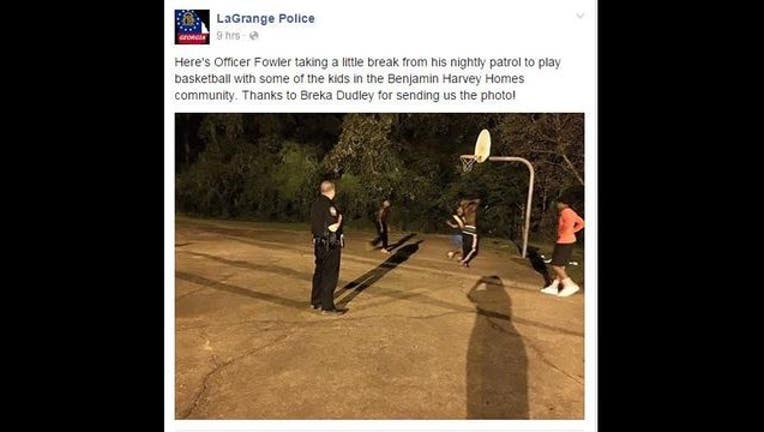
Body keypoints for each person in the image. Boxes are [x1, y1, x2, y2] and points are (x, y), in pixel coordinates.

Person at [310, 180, 347, 315]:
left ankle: (316, 301)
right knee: (330, 274)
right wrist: (340, 219)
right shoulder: (330, 205)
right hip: (330, 243)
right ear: (332, 190)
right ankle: (327, 306)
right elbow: (333, 227)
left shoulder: (316, 204)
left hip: (318, 243)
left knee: (319, 272)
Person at [541, 195, 585, 297]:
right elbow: (582, 223)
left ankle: (569, 284)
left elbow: (568, 226)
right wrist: (572, 231)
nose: (557, 205)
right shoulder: (571, 212)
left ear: (564, 204)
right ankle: (554, 286)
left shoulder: (566, 213)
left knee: (555, 264)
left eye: (559, 203)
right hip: (568, 240)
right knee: (561, 265)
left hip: (564, 241)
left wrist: (563, 233)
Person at [459, 198, 481, 267]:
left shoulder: (465, 209)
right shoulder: (472, 209)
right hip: (471, 230)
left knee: (466, 247)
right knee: (473, 249)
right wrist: (472, 201)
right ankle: (464, 261)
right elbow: (478, 200)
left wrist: (469, 202)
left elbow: (462, 202)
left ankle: (464, 261)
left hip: (466, 229)